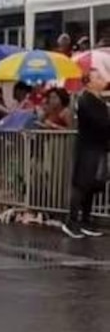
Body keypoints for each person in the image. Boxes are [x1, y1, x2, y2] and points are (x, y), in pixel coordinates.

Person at [63, 64, 110, 238]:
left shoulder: (100, 101)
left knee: (92, 185)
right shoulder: (85, 100)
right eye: (97, 77)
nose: (101, 80)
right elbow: (100, 124)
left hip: (98, 147)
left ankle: (86, 221)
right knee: (81, 185)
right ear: (89, 83)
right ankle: (71, 221)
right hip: (88, 148)